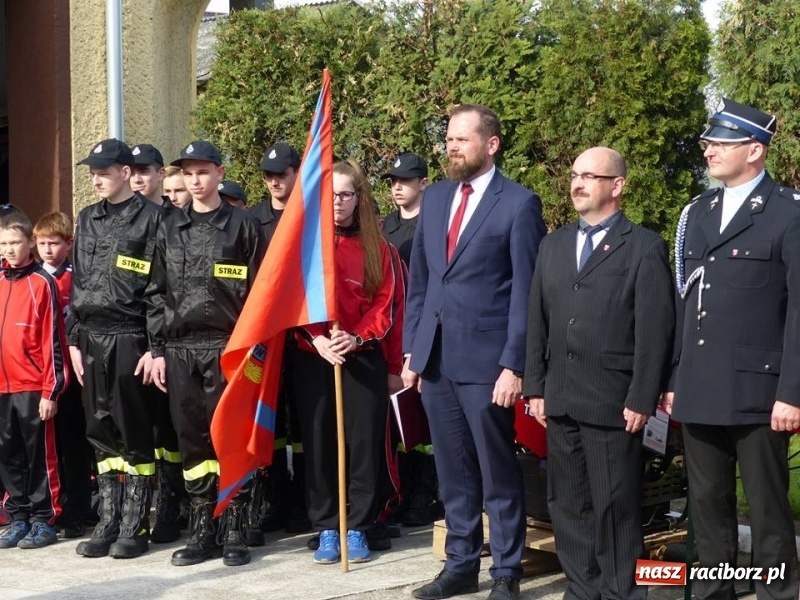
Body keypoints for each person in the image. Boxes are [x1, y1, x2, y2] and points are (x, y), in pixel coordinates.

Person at [402, 104, 546, 600]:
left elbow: (527, 292)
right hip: (436, 361)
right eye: (448, 140)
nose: (452, 147)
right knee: (452, 471)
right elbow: (422, 282)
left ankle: (506, 571)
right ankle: (460, 564)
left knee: (496, 470)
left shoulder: (519, 204)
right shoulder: (436, 198)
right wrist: (413, 351)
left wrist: (514, 364)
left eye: (462, 139)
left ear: (492, 144)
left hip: (488, 364)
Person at [664, 98, 800, 600]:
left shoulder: (787, 213)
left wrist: (792, 392)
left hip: (759, 391)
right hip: (700, 385)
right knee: (706, 505)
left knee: (767, 509)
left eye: (722, 143)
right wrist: (674, 379)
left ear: (755, 150)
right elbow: (685, 304)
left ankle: (778, 594)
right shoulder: (697, 213)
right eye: (709, 142)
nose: (709, 150)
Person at [524, 147, 675, 600]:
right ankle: (581, 588)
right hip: (561, 396)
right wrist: (535, 386)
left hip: (613, 400)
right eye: (575, 174)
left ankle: (621, 591)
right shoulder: (552, 245)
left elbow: (654, 330)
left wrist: (642, 396)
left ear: (617, 185)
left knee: (614, 504)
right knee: (566, 503)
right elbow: (537, 321)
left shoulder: (643, 246)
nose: (578, 183)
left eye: (590, 176)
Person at [148, 140, 266, 567]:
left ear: (219, 173)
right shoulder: (169, 227)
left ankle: (235, 526)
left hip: (228, 349)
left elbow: (261, 293)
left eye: (202, 172)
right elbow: (156, 292)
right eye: (188, 173)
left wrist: (254, 351)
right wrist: (157, 349)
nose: (195, 180)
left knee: (231, 437)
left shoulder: (243, 226)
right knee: (193, 440)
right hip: (181, 350)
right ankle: (203, 529)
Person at [292, 159, 403, 565]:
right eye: (331, 195)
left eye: (345, 194)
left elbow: (386, 305)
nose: (337, 202)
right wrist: (318, 338)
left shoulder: (381, 249)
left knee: (364, 442)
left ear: (359, 198)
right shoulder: (307, 246)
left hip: (361, 357)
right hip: (315, 356)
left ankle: (358, 524)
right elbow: (293, 300)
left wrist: (356, 337)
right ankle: (326, 525)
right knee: (319, 441)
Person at [70, 138, 163, 560]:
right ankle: (108, 520)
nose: (96, 180)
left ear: (126, 173)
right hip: (91, 337)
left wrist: (155, 346)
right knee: (100, 429)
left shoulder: (153, 218)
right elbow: (79, 282)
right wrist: (74, 339)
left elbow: (161, 289)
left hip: (130, 336)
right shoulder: (88, 218)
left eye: (103, 173)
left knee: (133, 429)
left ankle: (135, 523)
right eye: (93, 174)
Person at [248, 142, 312, 537]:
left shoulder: (311, 216)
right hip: (267, 337)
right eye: (268, 175)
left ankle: (306, 503)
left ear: (296, 174)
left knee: (303, 424)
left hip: (304, 336)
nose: (274, 181)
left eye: (281, 174)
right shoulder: (252, 220)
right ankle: (272, 501)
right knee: (269, 424)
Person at [0, 210, 68, 549]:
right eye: (3, 244)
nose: (9, 250)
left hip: (32, 385)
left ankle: (45, 519)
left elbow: (52, 340)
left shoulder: (42, 283)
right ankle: (18, 517)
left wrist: (50, 391)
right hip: (2, 386)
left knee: (39, 456)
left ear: (30, 242)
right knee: (8, 454)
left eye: (15, 242)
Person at [33, 212, 95, 539]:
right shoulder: (32, 278)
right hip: (42, 376)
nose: (47, 249)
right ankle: (49, 508)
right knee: (47, 448)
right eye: (42, 243)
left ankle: (78, 510)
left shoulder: (76, 277)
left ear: (68, 244)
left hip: (73, 375)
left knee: (75, 446)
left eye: (54, 243)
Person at [382, 152, 428, 266]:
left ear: (423, 183)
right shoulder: (384, 225)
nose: (397, 186)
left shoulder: (435, 224)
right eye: (393, 180)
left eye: (405, 179)